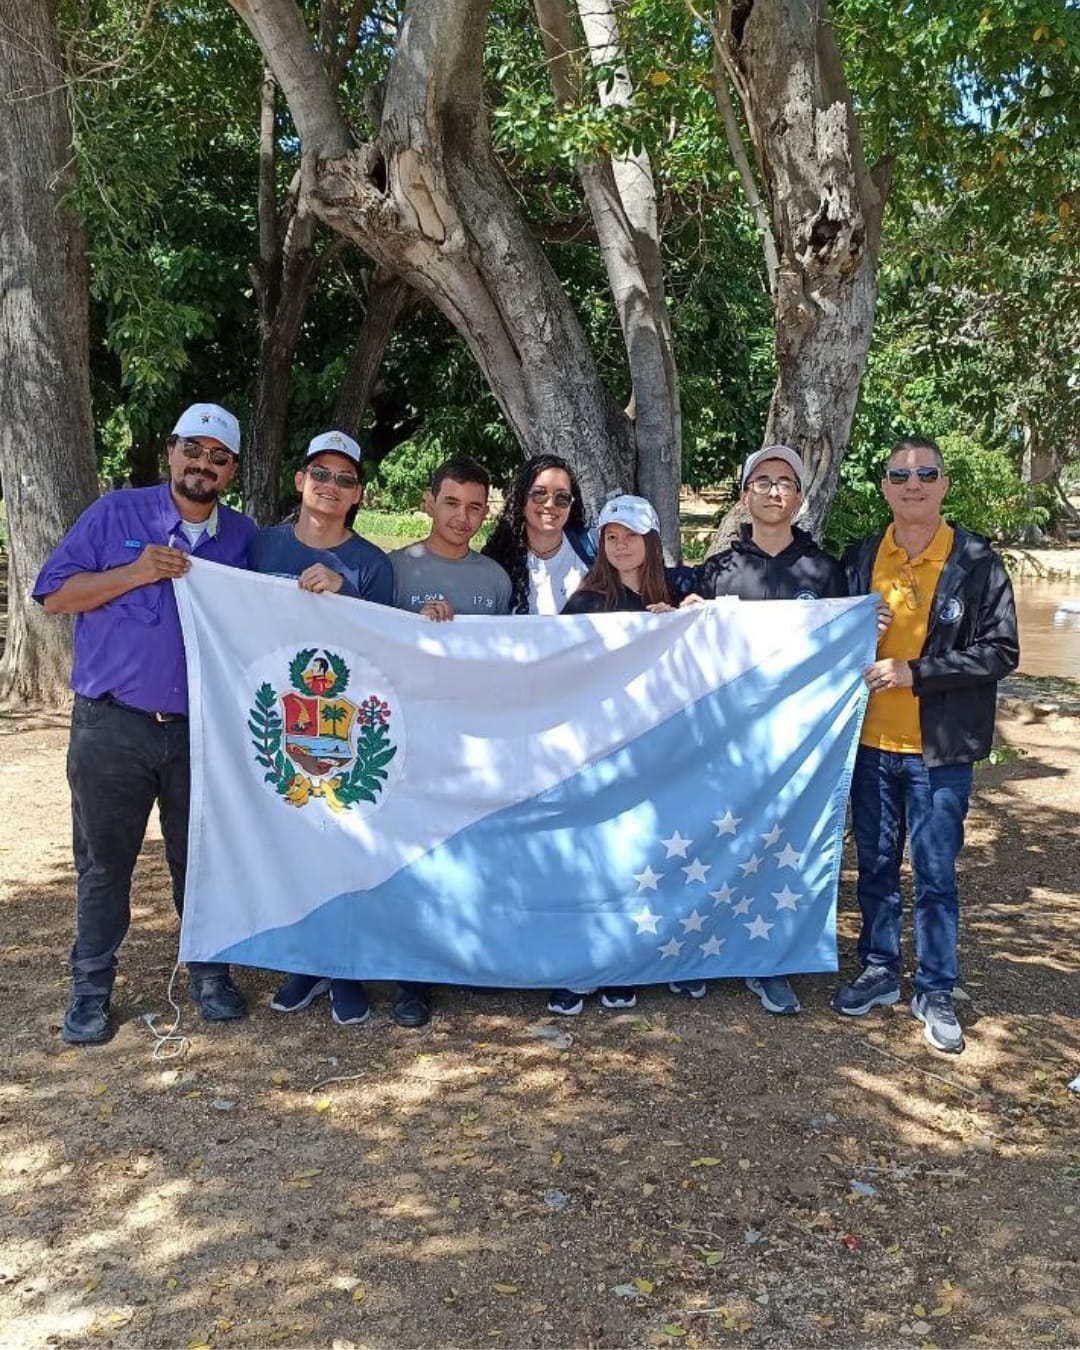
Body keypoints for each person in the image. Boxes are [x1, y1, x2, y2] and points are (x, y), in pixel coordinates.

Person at [33, 403, 256, 1045]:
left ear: (231, 470)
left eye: (218, 458)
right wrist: (135, 572)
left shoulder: (240, 536)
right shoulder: (115, 514)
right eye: (193, 450)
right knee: (105, 865)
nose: (202, 465)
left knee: (202, 858)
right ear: (171, 451)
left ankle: (210, 975)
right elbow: (52, 596)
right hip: (112, 728)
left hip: (199, 732)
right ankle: (90, 989)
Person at [832, 436, 1019, 1054]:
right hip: (867, 745)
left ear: (943, 484)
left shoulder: (976, 560)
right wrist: (857, 627)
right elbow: (824, 644)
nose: (913, 483)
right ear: (883, 486)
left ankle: (936, 986)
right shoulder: (861, 559)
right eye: (900, 474)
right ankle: (880, 969)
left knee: (935, 874)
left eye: (926, 473)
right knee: (877, 866)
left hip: (939, 752)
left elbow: (1001, 650)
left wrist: (918, 672)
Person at [677, 444, 847, 1015]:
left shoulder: (826, 571)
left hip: (798, 741)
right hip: (730, 739)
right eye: (763, 481)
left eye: (786, 483)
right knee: (716, 842)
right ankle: (697, 950)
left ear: (799, 497)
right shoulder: (720, 568)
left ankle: (770, 962)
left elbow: (843, 646)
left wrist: (863, 624)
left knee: (784, 849)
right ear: (745, 494)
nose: (774, 492)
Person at [249, 429, 394, 1028]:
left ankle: (346, 966)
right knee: (289, 840)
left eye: (346, 479)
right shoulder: (259, 549)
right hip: (273, 721)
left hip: (344, 728)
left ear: (358, 494)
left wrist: (345, 598)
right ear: (300, 481)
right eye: (322, 474)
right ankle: (303, 960)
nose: (332, 487)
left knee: (343, 840)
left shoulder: (370, 563)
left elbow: (387, 647)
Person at [388, 456, 512, 1025]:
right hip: (409, 740)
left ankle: (467, 959)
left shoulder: (494, 579)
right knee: (412, 853)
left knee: (472, 850)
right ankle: (411, 977)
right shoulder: (393, 570)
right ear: (428, 502)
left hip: (476, 738)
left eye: (475, 507)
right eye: (452, 503)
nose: (463, 518)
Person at [548, 493, 677, 1016]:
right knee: (587, 863)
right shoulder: (584, 601)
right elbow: (557, 670)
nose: (622, 545)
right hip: (592, 752)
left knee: (633, 861)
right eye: (611, 536)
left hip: (651, 755)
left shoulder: (675, 594)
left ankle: (621, 964)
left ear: (651, 540)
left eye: (632, 535)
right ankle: (578, 966)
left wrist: (687, 620)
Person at [482, 454, 595, 614]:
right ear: (521, 500)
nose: (550, 504)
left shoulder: (594, 549)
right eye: (539, 494)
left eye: (562, 497)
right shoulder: (496, 561)